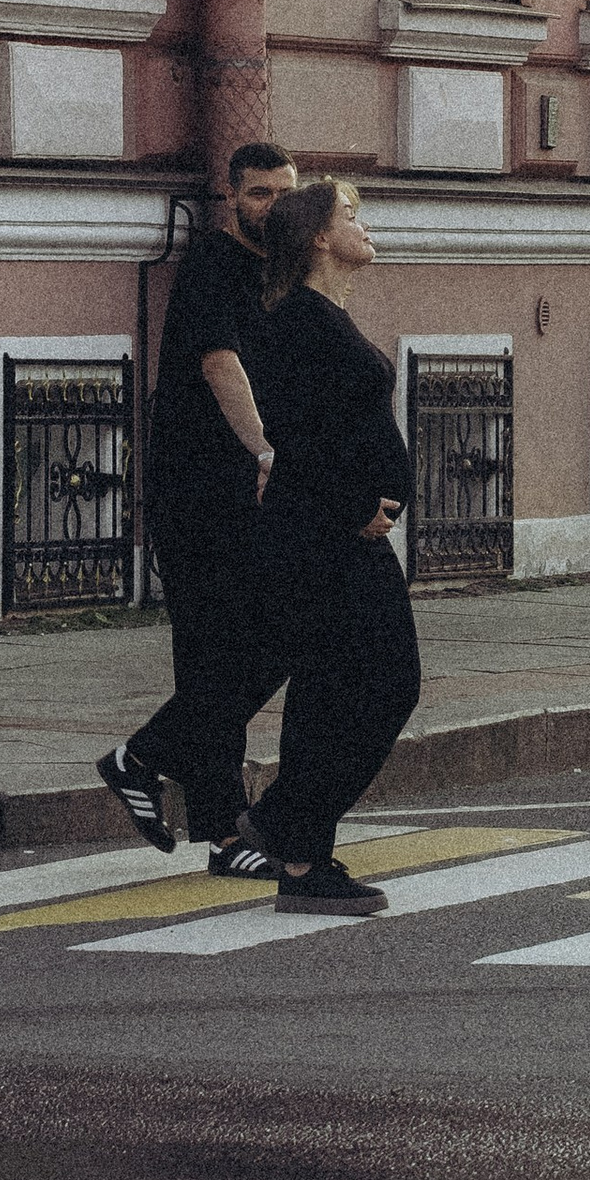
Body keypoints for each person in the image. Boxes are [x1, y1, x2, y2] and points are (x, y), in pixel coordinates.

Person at [97, 141, 297, 871]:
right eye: (258, 194)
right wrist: (266, 451)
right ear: (232, 197)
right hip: (199, 496)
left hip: (248, 498)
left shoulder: (280, 276)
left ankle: (142, 757)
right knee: (219, 659)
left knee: (259, 647)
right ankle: (222, 835)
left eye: (283, 192)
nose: (271, 206)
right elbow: (221, 364)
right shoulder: (212, 265)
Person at [236, 179, 422, 916]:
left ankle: (302, 851)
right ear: (317, 236)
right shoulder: (297, 323)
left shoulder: (322, 315)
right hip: (324, 538)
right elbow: (297, 435)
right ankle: (288, 827)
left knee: (334, 691)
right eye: (350, 215)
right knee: (383, 685)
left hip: (336, 536)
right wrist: (355, 508)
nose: (365, 224)